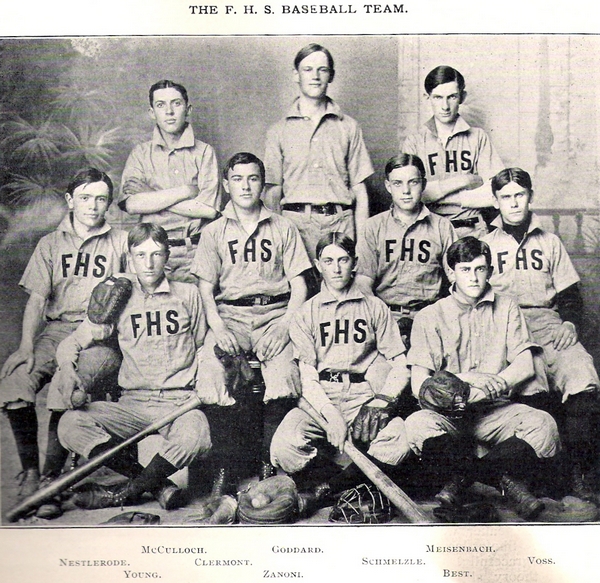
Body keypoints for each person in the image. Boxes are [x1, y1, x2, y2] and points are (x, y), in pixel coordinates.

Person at [55, 223, 211, 511]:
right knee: (70, 424)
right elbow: (72, 343)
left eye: (156, 254)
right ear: (129, 257)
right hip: (133, 404)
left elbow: (203, 346)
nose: (149, 264)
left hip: (179, 403)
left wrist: (209, 377)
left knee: (197, 434)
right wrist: (66, 369)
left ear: (167, 255)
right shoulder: (119, 296)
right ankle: (157, 484)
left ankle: (123, 493)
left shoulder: (188, 294)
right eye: (140, 255)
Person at [0, 168, 127, 518]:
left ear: (109, 203)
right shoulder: (51, 243)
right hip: (56, 331)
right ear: (70, 201)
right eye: (85, 197)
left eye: (101, 198)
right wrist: (27, 345)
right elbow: (38, 301)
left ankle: (52, 482)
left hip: (100, 339)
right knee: (14, 384)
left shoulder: (120, 241)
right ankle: (31, 472)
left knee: (64, 384)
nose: (93, 206)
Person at [405, 236, 560, 520]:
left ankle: (460, 482)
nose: (474, 277)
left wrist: (489, 388)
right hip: (450, 415)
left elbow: (525, 365)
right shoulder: (430, 315)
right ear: (451, 272)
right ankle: (503, 480)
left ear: (489, 270)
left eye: (480, 269)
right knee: (416, 424)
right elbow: (419, 386)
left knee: (543, 424)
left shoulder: (507, 306)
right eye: (465, 269)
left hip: (494, 411)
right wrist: (468, 379)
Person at [270, 232, 413, 517]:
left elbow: (400, 364)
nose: (336, 268)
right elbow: (307, 375)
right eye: (328, 261)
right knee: (283, 446)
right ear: (317, 264)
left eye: (343, 260)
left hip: (364, 394)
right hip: (320, 396)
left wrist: (381, 401)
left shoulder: (375, 306)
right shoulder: (306, 312)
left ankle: (328, 489)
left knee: (401, 438)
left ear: (355, 263)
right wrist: (331, 416)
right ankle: (354, 485)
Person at [192, 152, 311, 491]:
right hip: (231, 315)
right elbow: (205, 287)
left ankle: (266, 462)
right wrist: (217, 326)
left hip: (276, 313)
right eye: (238, 179)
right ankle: (226, 468)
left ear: (263, 183)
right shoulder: (213, 231)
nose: (245, 186)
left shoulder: (283, 226)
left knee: (285, 373)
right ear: (227, 185)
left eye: (253, 178)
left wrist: (286, 324)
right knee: (213, 371)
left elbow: (300, 285)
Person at [483, 167, 600, 501]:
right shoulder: (486, 243)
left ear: (530, 196)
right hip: (507, 327)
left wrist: (569, 324)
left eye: (520, 195)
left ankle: (581, 474)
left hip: (549, 322)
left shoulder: (549, 241)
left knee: (581, 375)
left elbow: (570, 295)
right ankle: (542, 479)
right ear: (495, 201)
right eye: (506, 197)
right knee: (530, 386)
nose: (514, 203)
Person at [264, 43, 374, 292]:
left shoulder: (349, 127)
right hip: (296, 226)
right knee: (299, 299)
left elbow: (359, 189)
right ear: (296, 75)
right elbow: (273, 191)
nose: (315, 76)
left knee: (344, 301)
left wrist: (362, 242)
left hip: (340, 224)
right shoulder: (278, 131)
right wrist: (278, 238)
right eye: (307, 69)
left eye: (322, 69)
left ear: (331, 75)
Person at [119, 80, 221, 283]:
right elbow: (131, 204)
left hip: (194, 253)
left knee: (196, 310)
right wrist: (185, 190)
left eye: (176, 103)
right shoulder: (140, 154)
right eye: (160, 105)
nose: (169, 112)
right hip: (151, 254)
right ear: (151, 112)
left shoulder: (204, 152)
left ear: (188, 109)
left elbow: (208, 210)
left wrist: (150, 196)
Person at [356, 153, 456, 348]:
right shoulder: (373, 227)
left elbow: (456, 281)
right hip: (385, 317)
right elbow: (362, 282)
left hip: (429, 316)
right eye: (398, 183)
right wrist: (381, 320)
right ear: (388, 186)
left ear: (424, 184)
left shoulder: (442, 227)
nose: (406, 191)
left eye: (413, 182)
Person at [403, 66, 504, 238]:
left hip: (472, 231)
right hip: (429, 233)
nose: (445, 106)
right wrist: (464, 181)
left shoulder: (478, 137)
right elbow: (411, 194)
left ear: (462, 97)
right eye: (438, 97)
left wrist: (436, 194)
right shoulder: (414, 142)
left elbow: (496, 193)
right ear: (427, 98)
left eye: (452, 97)